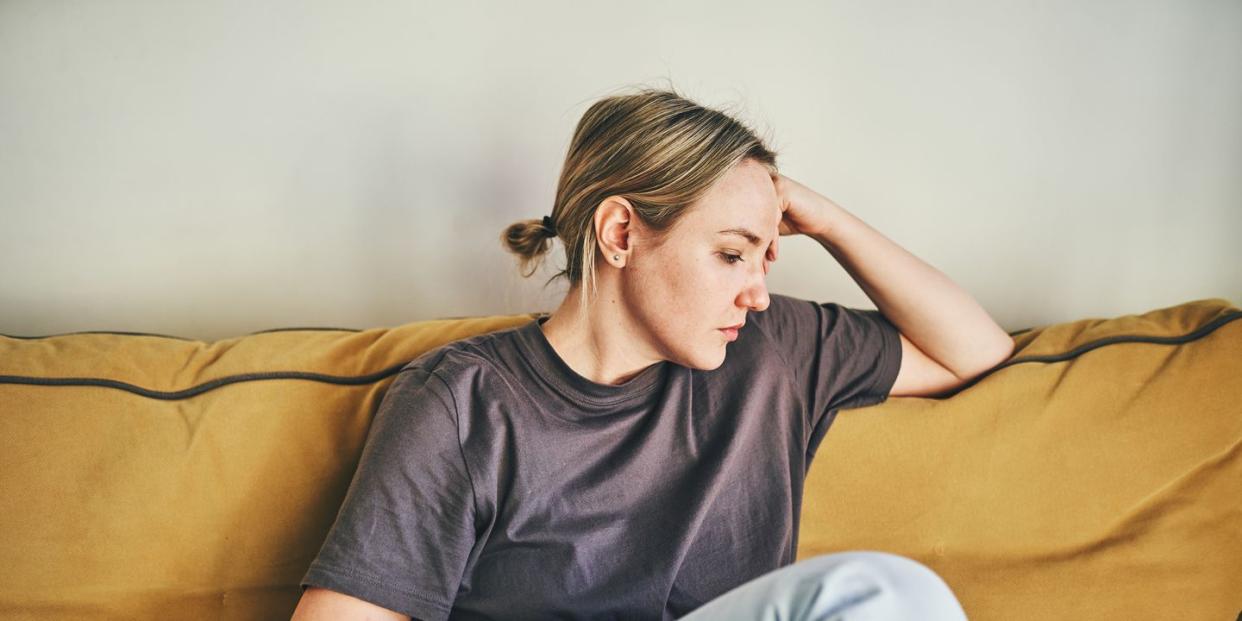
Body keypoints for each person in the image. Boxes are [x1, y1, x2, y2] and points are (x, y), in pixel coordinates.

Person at [293, 85, 1012, 620]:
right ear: (620, 234)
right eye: (731, 254)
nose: (756, 293)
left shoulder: (773, 351)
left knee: (886, 597)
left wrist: (826, 220)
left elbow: (972, 350)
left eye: (768, 258)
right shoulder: (464, 401)